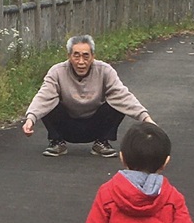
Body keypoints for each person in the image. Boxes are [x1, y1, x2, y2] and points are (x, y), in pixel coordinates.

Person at [22, 34, 154, 157]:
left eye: (86, 56)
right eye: (76, 56)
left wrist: (146, 119)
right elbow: (43, 96)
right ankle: (57, 142)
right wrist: (30, 119)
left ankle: (102, 142)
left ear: (93, 56)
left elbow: (123, 96)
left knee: (117, 103)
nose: (81, 62)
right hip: (65, 125)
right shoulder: (57, 71)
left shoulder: (105, 70)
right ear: (69, 56)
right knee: (49, 102)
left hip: (96, 124)